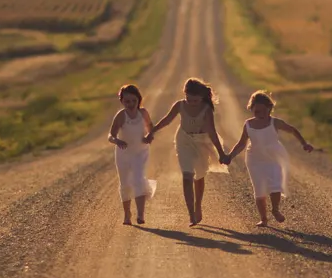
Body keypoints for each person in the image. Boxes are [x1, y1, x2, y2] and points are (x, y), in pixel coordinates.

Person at [225, 91, 314, 227]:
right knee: (259, 188)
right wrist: (230, 156)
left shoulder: (275, 122)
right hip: (254, 159)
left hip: (273, 157)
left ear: (269, 109)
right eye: (256, 111)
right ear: (251, 109)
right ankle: (263, 219)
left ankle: (275, 209)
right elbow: (242, 143)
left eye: (262, 111)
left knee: (275, 185)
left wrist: (304, 144)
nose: (259, 114)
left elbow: (292, 130)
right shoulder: (248, 124)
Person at [149, 77, 228, 226]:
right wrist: (152, 131)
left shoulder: (206, 108)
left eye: (195, 101)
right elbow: (167, 119)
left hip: (201, 142)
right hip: (183, 140)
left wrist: (221, 153)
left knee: (199, 176)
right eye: (189, 99)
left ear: (201, 97)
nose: (191, 103)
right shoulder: (179, 105)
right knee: (187, 175)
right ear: (184, 94)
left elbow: (212, 131)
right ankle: (191, 214)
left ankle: (198, 205)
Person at [109, 83, 155, 225]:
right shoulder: (121, 116)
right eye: (127, 101)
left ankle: (140, 215)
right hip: (123, 153)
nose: (131, 104)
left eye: (134, 101)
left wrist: (149, 136)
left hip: (140, 152)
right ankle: (127, 214)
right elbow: (110, 135)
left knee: (138, 179)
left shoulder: (143, 113)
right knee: (125, 183)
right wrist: (117, 141)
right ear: (122, 101)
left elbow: (151, 128)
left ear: (139, 99)